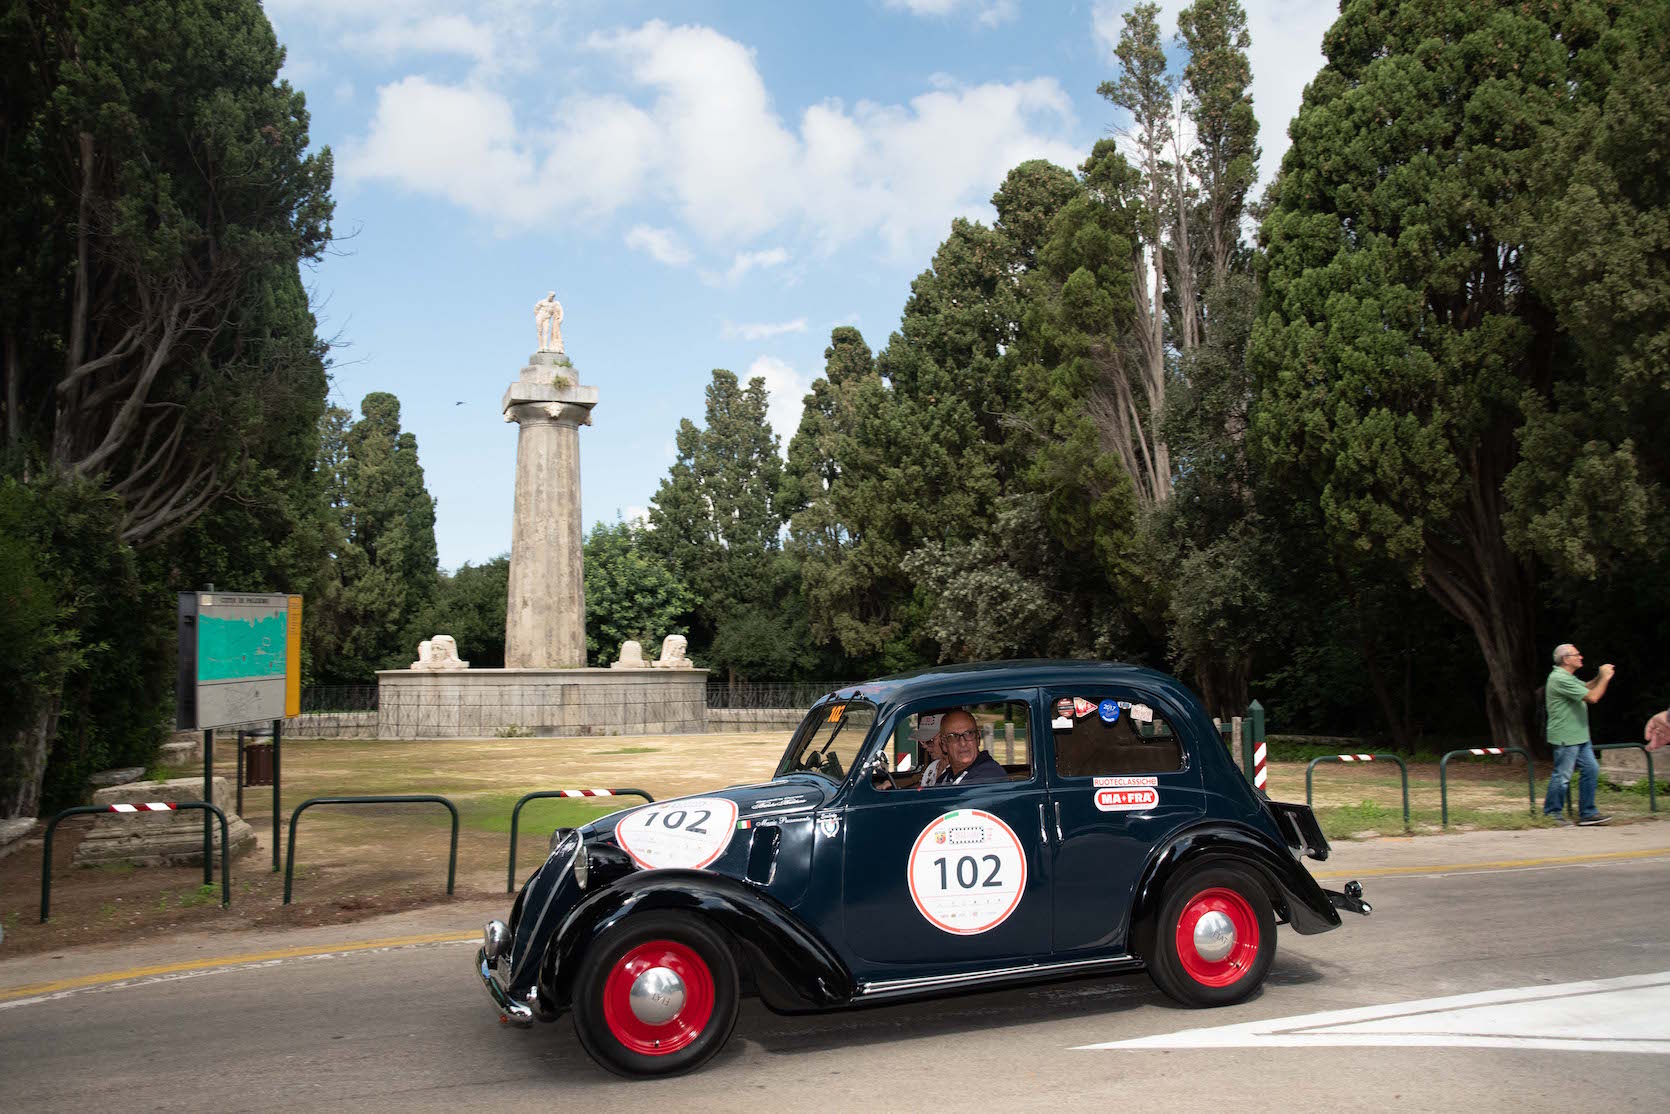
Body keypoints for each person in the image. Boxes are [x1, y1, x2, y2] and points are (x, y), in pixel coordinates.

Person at [1543, 643, 1613, 825]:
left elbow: (1586, 687)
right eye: (1577, 654)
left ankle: (1587, 813)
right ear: (1566, 659)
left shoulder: (1567, 677)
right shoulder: (1559, 678)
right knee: (1563, 776)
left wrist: (1599, 676)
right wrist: (1605, 678)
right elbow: (1592, 697)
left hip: (1579, 736)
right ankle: (1552, 813)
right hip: (1566, 736)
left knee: (1591, 769)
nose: (1580, 657)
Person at [934, 710, 1007, 786]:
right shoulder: (945, 778)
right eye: (953, 736)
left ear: (978, 738)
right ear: (944, 744)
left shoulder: (990, 775)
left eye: (969, 734)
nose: (963, 743)